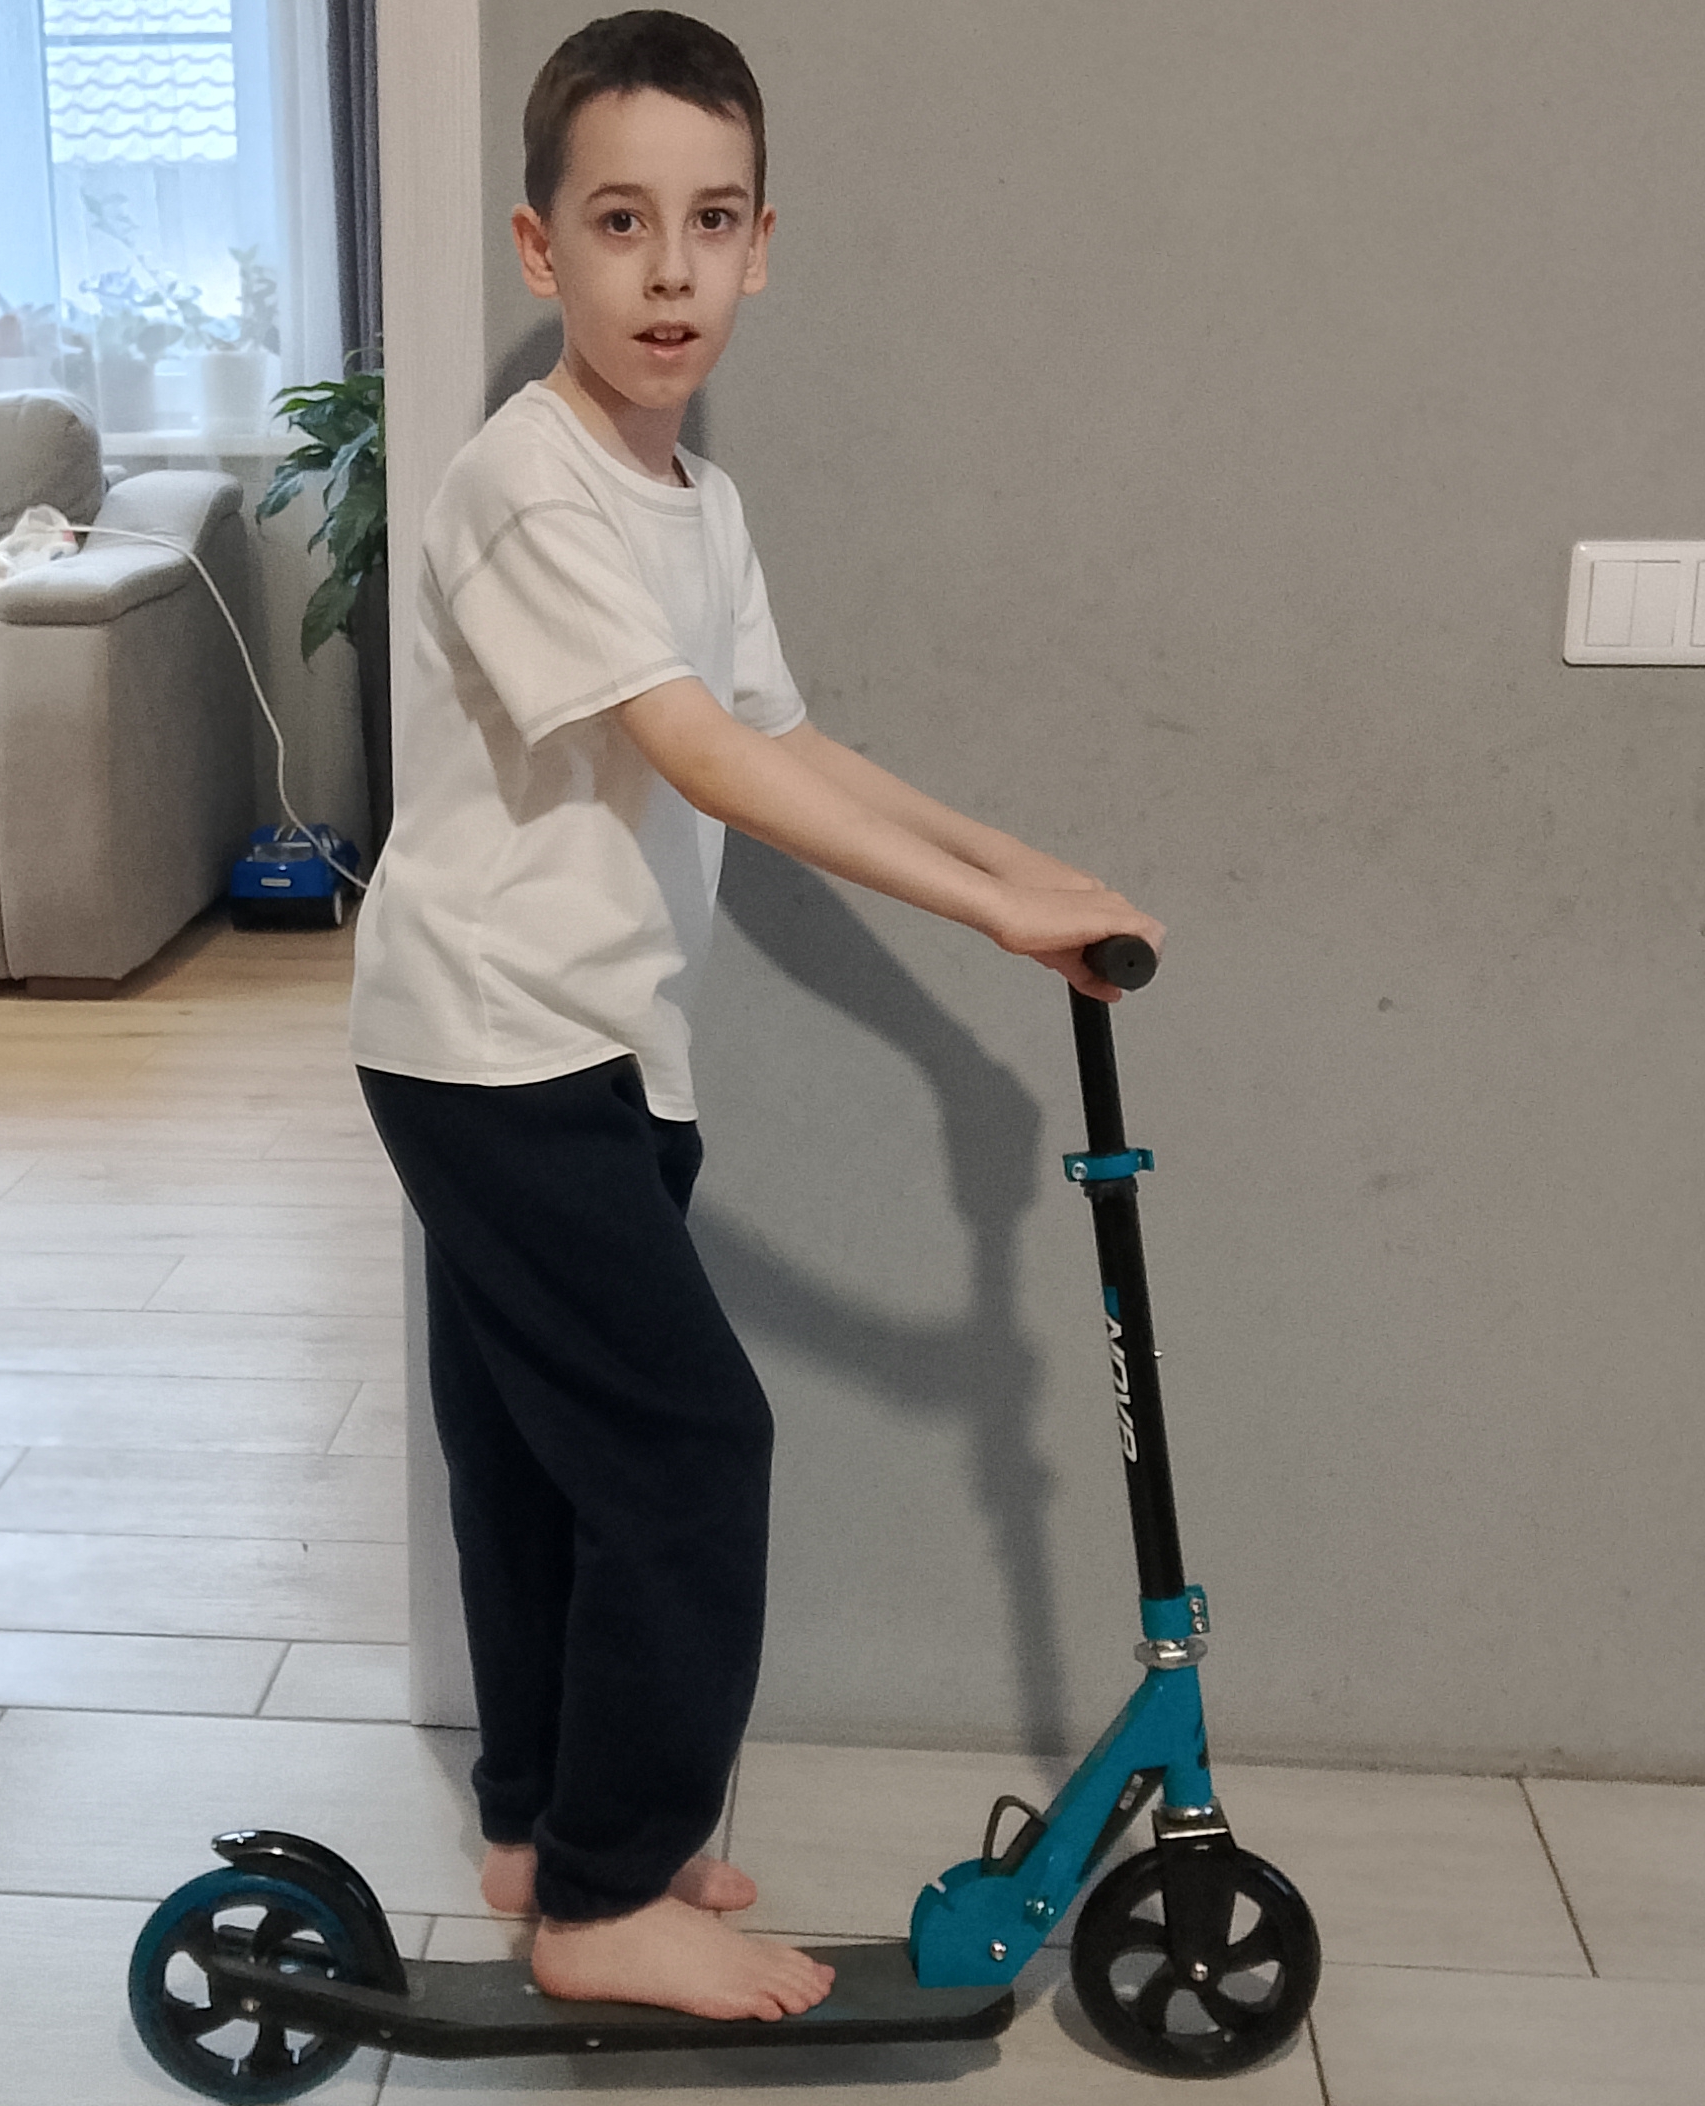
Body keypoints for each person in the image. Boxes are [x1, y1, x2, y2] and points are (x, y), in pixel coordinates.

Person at [348, 8, 1163, 2023]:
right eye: (620, 221)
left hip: (595, 1037)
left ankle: (546, 1829)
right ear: (541, 249)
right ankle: (607, 1900)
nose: (671, 269)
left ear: (763, 246)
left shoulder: (693, 502)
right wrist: (987, 910)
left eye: (712, 220)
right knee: (690, 1452)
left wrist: (1018, 870)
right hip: (493, 1045)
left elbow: (786, 734)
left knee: (539, 1451)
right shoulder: (528, 486)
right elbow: (701, 756)